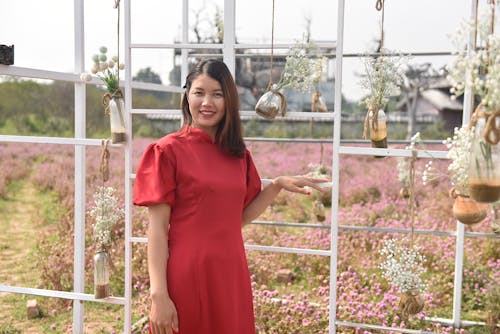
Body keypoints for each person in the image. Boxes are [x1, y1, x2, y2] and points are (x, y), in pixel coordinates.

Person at [133, 59, 328, 334]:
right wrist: (158, 295)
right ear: (186, 96)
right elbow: (156, 231)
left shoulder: (238, 155)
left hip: (231, 275)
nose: (206, 102)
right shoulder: (167, 151)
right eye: (199, 93)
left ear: (229, 101)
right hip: (187, 274)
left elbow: (235, 219)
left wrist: (277, 185)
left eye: (217, 94)